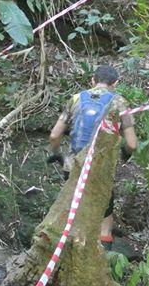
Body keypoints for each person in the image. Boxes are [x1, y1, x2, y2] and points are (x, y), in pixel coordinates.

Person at [47, 65, 137, 249]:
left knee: (72, 208)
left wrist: (57, 155)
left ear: (93, 80)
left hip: (74, 165)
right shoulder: (120, 102)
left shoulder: (75, 99)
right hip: (101, 168)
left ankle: (66, 249)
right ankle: (105, 253)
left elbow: (55, 136)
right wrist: (125, 154)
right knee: (105, 214)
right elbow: (132, 144)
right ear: (115, 83)